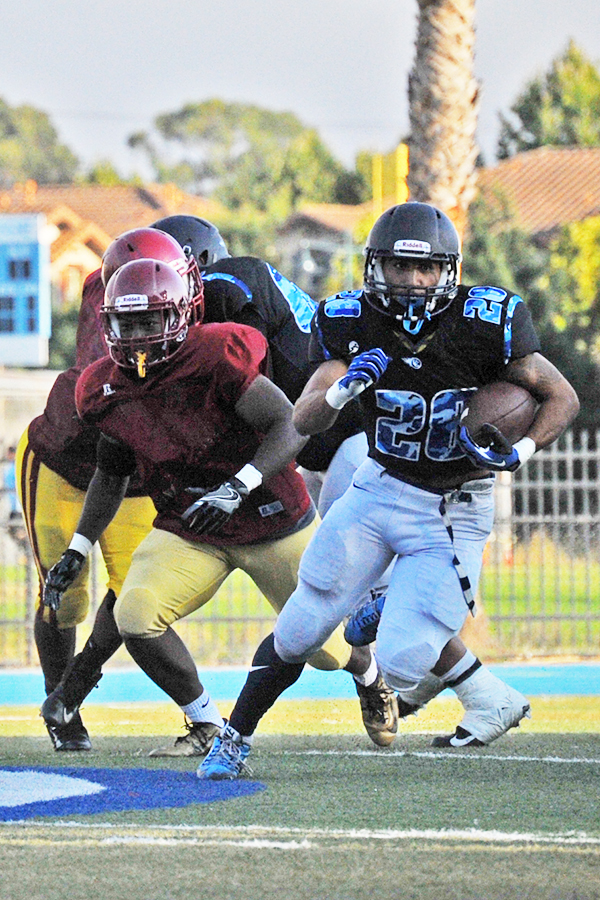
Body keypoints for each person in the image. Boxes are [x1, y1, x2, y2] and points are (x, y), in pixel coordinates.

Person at [198, 201, 580, 780]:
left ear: (449, 271)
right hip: (380, 487)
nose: (413, 281)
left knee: (402, 663)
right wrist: (341, 391)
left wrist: (517, 453)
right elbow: (303, 420)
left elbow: (562, 397)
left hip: (453, 508)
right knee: (301, 625)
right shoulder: (351, 321)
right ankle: (233, 737)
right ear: (376, 267)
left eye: (425, 269)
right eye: (400, 268)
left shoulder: (486, 320)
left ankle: (385, 605)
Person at [40, 258, 382, 761]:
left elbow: (290, 423)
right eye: (124, 323)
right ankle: (205, 721)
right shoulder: (102, 387)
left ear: (179, 315)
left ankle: (371, 676)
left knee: (324, 650)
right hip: (191, 526)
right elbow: (111, 473)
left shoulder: (217, 354)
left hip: (269, 520)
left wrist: (237, 485)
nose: (135, 337)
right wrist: (78, 546)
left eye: (147, 322)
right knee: (135, 614)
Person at [17, 228, 201, 752]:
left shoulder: (203, 312)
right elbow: (131, 381)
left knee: (134, 597)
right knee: (62, 596)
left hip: (132, 474)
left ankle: (70, 692)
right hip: (63, 462)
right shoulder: (116, 305)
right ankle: (62, 705)